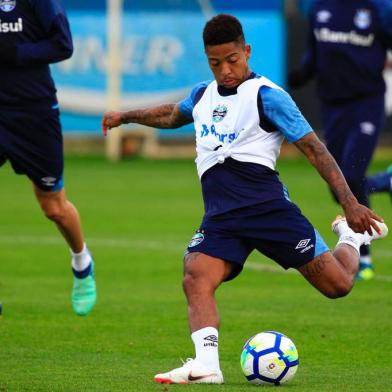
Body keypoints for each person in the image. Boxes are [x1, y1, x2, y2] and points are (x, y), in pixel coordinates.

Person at [102, 14, 388, 384]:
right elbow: (172, 114)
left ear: (247, 51)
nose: (225, 70)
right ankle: (207, 365)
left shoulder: (267, 96)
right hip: (222, 218)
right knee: (195, 275)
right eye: (215, 63)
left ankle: (352, 237)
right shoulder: (202, 95)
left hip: (269, 211)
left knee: (338, 286)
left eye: (232, 60)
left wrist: (350, 204)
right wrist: (125, 116)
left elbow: (315, 149)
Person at [0, 0, 96, 316]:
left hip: (33, 112)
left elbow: (62, 45)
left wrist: (15, 53)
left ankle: (81, 261)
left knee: (53, 206)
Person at [288, 0, 392, 280]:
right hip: (332, 106)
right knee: (338, 184)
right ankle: (366, 250)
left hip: (366, 102)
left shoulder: (379, 8)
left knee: (352, 173)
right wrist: (302, 72)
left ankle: (365, 251)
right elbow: (315, 51)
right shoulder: (319, 7)